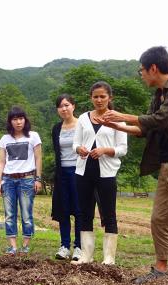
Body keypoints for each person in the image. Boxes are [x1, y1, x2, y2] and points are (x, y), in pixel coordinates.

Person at [100, 46, 168, 285]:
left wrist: (122, 114)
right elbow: (146, 128)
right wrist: (116, 123)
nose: (141, 75)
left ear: (153, 69)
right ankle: (161, 267)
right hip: (167, 166)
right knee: (159, 219)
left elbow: (160, 120)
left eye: (142, 71)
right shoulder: (158, 95)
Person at [72, 81, 127, 265]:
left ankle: (109, 257)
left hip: (106, 173)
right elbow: (75, 142)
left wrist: (104, 150)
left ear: (110, 98)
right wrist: (79, 148)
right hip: (83, 171)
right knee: (85, 212)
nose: (99, 100)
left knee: (109, 213)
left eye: (103, 96)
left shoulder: (117, 119)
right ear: (91, 98)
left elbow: (122, 149)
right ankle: (86, 255)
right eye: (95, 96)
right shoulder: (82, 118)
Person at [0, 106, 42, 255]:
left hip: (27, 179)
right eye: (15, 119)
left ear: (25, 120)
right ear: (10, 122)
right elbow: (1, 162)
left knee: (26, 214)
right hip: (8, 180)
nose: (18, 122)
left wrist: (38, 179)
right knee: (9, 214)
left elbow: (38, 158)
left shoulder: (33, 136)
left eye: (21, 118)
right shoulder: (4, 139)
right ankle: (13, 246)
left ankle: (26, 246)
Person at [51, 94, 82, 261]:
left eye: (67, 105)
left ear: (73, 106)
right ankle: (64, 246)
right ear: (58, 110)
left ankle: (78, 247)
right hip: (62, 173)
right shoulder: (57, 128)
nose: (64, 109)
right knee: (63, 210)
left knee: (79, 210)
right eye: (61, 106)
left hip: (79, 172)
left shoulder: (82, 125)